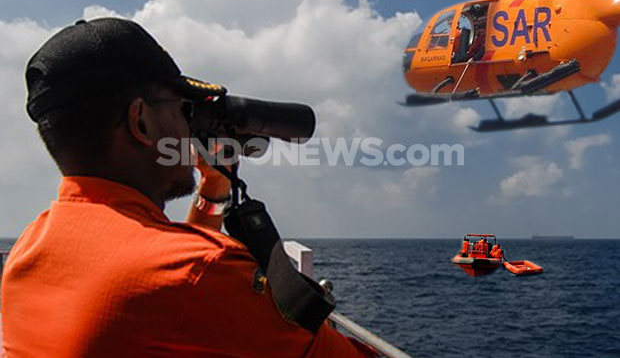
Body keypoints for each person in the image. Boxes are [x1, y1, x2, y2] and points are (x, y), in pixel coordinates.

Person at [1, 18, 375, 357]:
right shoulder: (199, 270)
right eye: (182, 109)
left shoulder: (29, 250)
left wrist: (214, 185)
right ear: (141, 122)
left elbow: (168, 288)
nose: (188, 128)